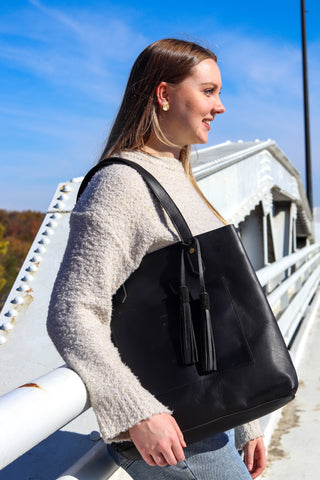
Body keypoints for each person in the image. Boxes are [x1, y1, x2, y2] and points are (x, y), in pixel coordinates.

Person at [47, 38, 266, 480]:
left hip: (202, 413)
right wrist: (137, 412)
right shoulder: (121, 185)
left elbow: (216, 307)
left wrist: (248, 416)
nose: (220, 107)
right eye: (208, 91)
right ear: (164, 95)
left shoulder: (179, 176)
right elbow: (72, 311)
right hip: (166, 425)